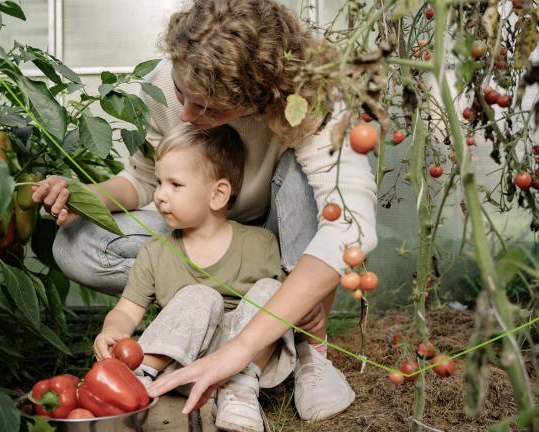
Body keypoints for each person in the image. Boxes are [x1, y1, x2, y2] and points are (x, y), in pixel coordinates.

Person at [31, 0, 377, 422]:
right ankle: (203, 315)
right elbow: (145, 179)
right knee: (76, 243)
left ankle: (304, 345)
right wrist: (83, 196)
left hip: (278, 236)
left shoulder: (312, 96)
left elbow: (350, 227)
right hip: (200, 224)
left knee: (310, 183)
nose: (188, 116)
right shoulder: (167, 82)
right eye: (182, 95)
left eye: (211, 109)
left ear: (259, 100)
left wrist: (240, 350)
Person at [95, 124, 293, 432]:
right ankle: (141, 377)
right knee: (202, 295)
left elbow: (285, 314)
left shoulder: (260, 244)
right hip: (183, 365)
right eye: (159, 182)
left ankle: (238, 392)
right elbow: (126, 310)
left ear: (218, 194)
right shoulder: (155, 251)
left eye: (175, 184)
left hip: (245, 363)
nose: (159, 195)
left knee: (274, 290)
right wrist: (113, 332)